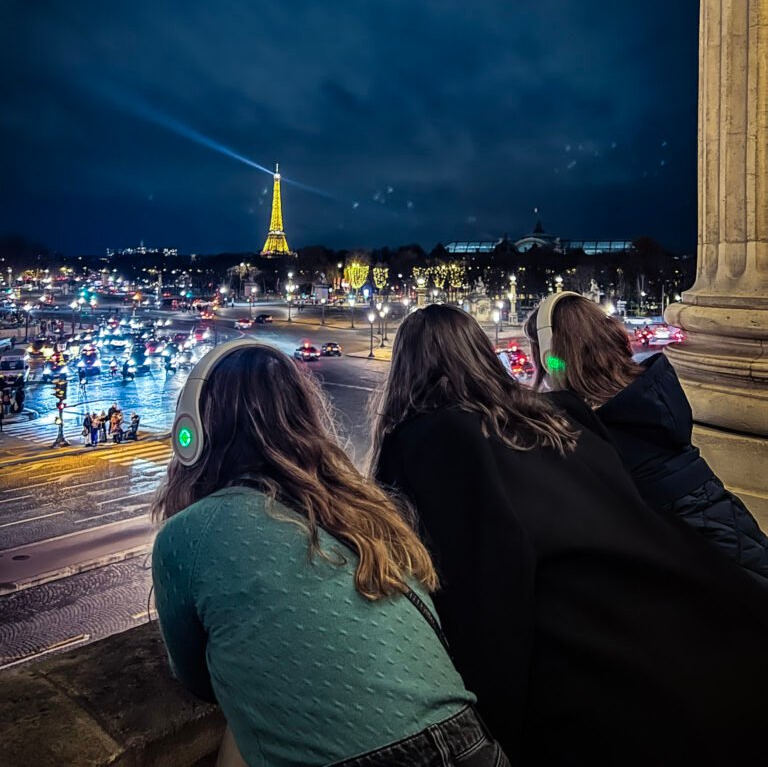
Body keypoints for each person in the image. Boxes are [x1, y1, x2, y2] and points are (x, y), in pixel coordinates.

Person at [369, 304, 768, 766]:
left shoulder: (428, 441)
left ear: (405, 371)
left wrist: (497, 725)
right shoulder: (561, 415)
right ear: (480, 354)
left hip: (606, 691)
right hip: (714, 638)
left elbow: (484, 594)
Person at [152, 341, 508, 767]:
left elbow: (198, 680)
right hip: (469, 742)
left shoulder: (186, 535)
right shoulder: (367, 511)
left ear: (191, 435)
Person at [523, 292, 768, 582]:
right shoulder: (648, 399)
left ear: (552, 360)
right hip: (723, 529)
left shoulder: (594, 433)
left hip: (701, 561)